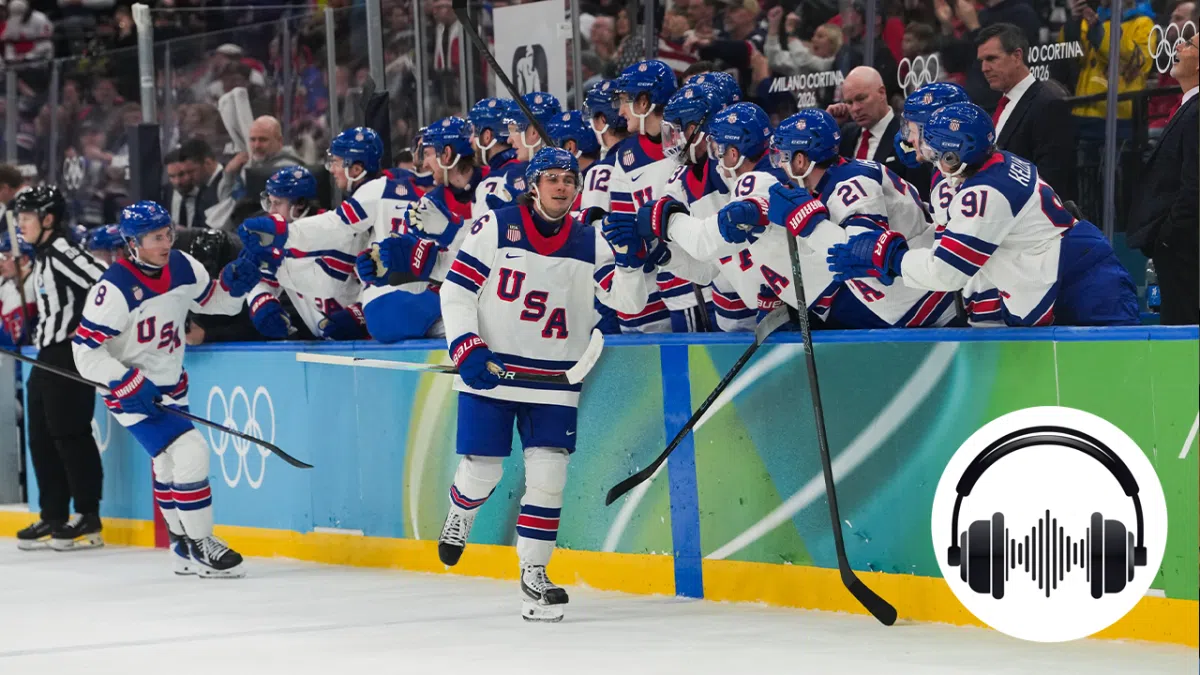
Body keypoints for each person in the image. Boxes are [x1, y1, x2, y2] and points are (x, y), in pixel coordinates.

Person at [434, 147, 642, 622]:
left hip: (554, 378)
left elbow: (629, 303)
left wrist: (631, 262)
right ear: (533, 185)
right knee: (482, 472)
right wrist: (466, 346)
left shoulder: (591, 241)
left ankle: (534, 573)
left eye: (569, 179)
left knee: (550, 478)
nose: (562, 186)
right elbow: (457, 290)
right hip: (494, 369)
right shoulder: (495, 226)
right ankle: (461, 513)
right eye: (552, 178)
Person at [827, 102, 1138, 326]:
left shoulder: (985, 194)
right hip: (1072, 270)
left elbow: (946, 272)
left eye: (937, 153)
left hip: (1082, 285)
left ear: (954, 155)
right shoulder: (996, 163)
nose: (931, 159)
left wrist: (892, 258)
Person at [72, 201, 257, 576]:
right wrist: (124, 380)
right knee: (191, 451)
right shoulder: (114, 289)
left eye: (167, 233)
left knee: (168, 462)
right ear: (132, 243)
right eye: (155, 237)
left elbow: (214, 302)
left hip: (172, 383)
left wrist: (234, 287)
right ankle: (203, 544)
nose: (166, 242)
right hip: (132, 392)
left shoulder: (184, 265)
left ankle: (181, 545)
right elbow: (84, 351)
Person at [14, 186, 108, 551]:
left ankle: (88, 514)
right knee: (40, 435)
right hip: (46, 354)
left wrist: (86, 327)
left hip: (68, 355)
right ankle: (53, 514)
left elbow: (104, 281)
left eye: (26, 217)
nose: (20, 225)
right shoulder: (42, 255)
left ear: (48, 219)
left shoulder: (62, 250)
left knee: (70, 433)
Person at [1126, 16, 1198, 325]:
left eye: (1189, 44)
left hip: (1184, 249)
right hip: (1177, 249)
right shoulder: (1188, 107)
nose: (1178, 45)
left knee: (1182, 330)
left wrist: (1168, 237)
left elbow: (1195, 186)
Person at [242, 166, 367, 340]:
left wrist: (358, 314)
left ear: (300, 203)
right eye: (269, 203)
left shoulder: (341, 231)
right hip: (324, 343)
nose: (271, 211)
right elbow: (263, 279)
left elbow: (375, 280)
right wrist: (261, 301)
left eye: (278, 203)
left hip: (370, 340)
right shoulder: (275, 240)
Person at [976, 23, 1076, 202]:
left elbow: (1051, 180)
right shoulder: (997, 106)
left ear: (1017, 56)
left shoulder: (1048, 105)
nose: (984, 68)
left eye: (991, 59)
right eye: (981, 61)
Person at [830, 66, 931, 200]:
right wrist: (829, 126)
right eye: (849, 102)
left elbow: (920, 196)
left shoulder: (910, 135)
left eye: (861, 98)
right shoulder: (845, 134)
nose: (855, 108)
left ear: (882, 93)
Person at [0, 230, 35, 347]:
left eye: (5, 257)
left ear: (23, 259)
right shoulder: (8, 285)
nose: (1, 264)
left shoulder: (36, 285)